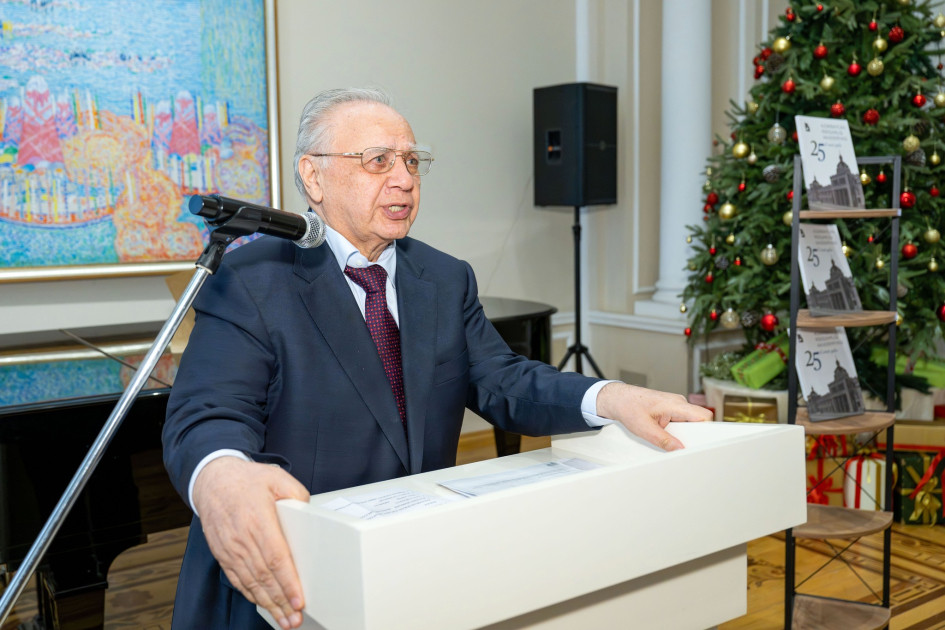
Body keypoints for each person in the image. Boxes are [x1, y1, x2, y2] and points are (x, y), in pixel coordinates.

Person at [162, 87, 712, 630]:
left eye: (411, 161)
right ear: (314, 176)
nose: (404, 179)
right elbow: (208, 414)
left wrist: (610, 396)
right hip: (291, 580)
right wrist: (223, 474)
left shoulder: (445, 277)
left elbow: (503, 379)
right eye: (378, 161)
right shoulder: (251, 278)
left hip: (414, 564)